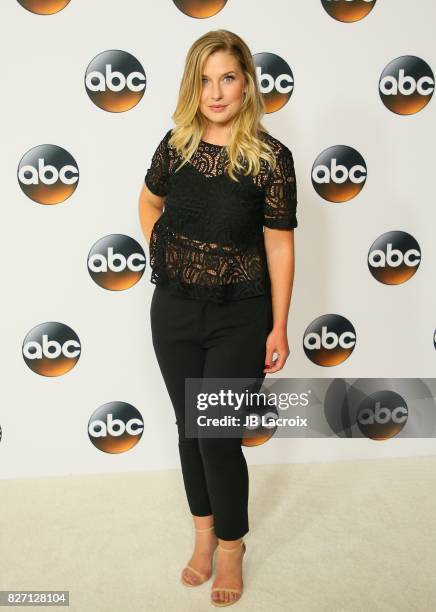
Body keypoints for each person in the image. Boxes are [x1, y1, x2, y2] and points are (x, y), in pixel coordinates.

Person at [138, 29, 298, 607]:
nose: (216, 90)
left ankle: (232, 544)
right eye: (205, 79)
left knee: (217, 435)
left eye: (227, 76)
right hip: (174, 311)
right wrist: (164, 249)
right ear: (193, 86)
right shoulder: (176, 145)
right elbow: (148, 201)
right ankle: (203, 535)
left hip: (241, 314)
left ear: (247, 82)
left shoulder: (270, 159)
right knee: (189, 428)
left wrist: (279, 325)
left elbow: (279, 247)